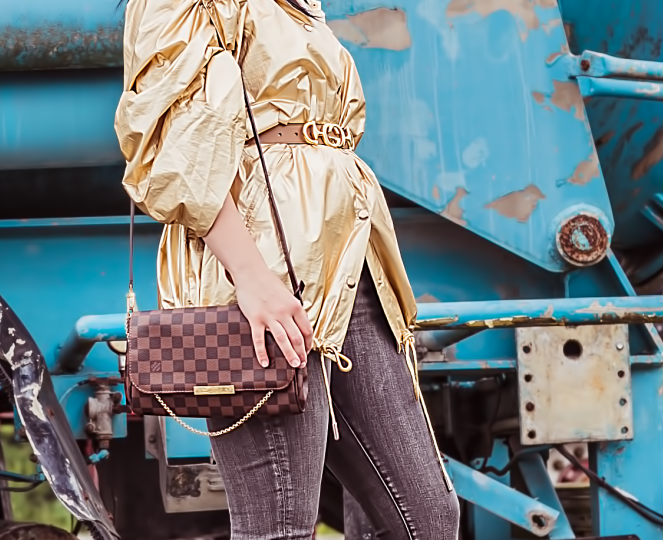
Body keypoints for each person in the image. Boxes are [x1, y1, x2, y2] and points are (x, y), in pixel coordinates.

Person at [114, 0, 461, 537]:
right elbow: (175, 146)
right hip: (262, 275)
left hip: (348, 270)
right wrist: (252, 278)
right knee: (279, 526)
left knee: (428, 516)